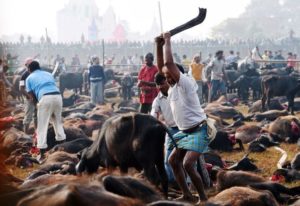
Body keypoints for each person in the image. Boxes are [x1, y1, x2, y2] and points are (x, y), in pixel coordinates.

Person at [155, 32, 208, 203]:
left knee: (187, 164)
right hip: (183, 132)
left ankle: (203, 198)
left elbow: (169, 64)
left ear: (179, 74)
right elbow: (162, 67)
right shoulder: (171, 88)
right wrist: (158, 45)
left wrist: (168, 41)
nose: (168, 79)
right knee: (172, 161)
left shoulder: (186, 84)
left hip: (198, 130)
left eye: (171, 76)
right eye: (167, 77)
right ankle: (187, 194)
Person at [25, 60, 66, 163]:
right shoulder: (48, 74)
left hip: (45, 98)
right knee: (58, 123)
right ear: (39, 67)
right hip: (57, 96)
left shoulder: (29, 78)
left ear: (29, 69)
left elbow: (31, 95)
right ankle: (62, 148)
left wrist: (37, 105)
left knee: (42, 126)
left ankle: (42, 154)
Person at [150, 72, 179, 186]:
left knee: (188, 160)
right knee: (167, 160)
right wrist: (153, 120)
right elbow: (154, 112)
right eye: (158, 85)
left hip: (185, 129)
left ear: (167, 81)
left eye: (162, 83)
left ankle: (190, 183)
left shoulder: (177, 93)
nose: (160, 87)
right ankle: (172, 181)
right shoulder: (158, 99)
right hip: (170, 130)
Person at [20, 58, 37, 134]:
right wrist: (29, 96)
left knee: (37, 116)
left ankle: (36, 133)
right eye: (29, 65)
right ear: (26, 65)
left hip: (37, 97)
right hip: (29, 98)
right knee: (28, 117)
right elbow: (21, 88)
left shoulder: (37, 74)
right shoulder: (24, 75)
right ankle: (25, 134)